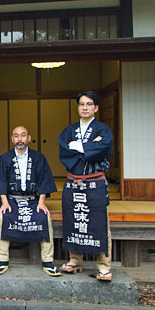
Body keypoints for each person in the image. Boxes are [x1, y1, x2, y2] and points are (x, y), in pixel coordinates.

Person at [58, 90, 114, 281]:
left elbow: (103, 149)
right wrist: (89, 146)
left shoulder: (103, 130)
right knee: (74, 219)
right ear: (78, 107)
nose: (85, 107)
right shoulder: (69, 130)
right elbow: (64, 152)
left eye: (89, 104)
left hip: (95, 182)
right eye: (81, 104)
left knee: (100, 222)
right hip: (74, 181)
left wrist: (78, 146)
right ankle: (75, 260)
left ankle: (104, 266)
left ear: (96, 107)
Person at [0, 125, 61, 277]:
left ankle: (48, 261)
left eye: (23, 135)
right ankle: (2, 260)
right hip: (12, 200)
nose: (19, 139)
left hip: (33, 199)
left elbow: (44, 180)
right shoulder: (5, 158)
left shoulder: (38, 157)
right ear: (12, 139)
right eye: (16, 136)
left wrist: (42, 202)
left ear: (29, 138)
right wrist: (4, 202)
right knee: (4, 217)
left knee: (45, 218)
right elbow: (0, 181)